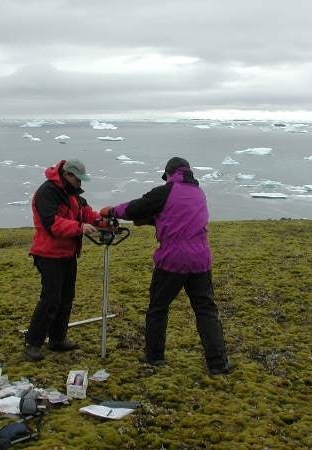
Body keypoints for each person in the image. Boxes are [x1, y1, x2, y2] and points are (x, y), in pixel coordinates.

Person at [100, 157, 233, 375]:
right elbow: (178, 218)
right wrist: (153, 220)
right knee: (206, 310)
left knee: (158, 308)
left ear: (170, 174)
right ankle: (218, 363)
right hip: (200, 260)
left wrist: (112, 211)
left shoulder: (166, 191)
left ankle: (155, 357)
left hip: (172, 260)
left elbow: (136, 208)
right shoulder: (198, 193)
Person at [24, 159, 104, 361]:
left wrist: (101, 222)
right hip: (49, 254)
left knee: (66, 298)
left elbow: (85, 213)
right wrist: (79, 228)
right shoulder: (47, 193)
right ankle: (33, 343)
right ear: (68, 175)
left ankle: (57, 339)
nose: (80, 184)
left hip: (67, 254)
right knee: (50, 299)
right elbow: (52, 224)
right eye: (78, 180)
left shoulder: (71, 193)